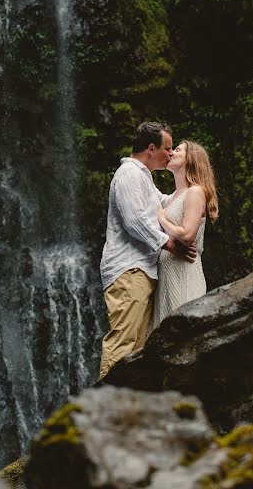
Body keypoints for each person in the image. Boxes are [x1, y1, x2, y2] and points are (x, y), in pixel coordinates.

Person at [98, 122, 195, 380]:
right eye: (168, 148)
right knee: (123, 343)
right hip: (128, 269)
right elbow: (135, 221)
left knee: (137, 348)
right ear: (151, 148)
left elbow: (165, 203)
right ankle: (105, 407)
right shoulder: (129, 174)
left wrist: (193, 191)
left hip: (140, 270)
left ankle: (125, 408)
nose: (171, 153)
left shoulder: (143, 177)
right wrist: (170, 244)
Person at [152, 140, 219, 329]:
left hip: (184, 275)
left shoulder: (195, 192)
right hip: (168, 277)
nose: (171, 153)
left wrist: (162, 219)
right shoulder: (172, 196)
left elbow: (188, 234)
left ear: (191, 158)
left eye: (177, 150)